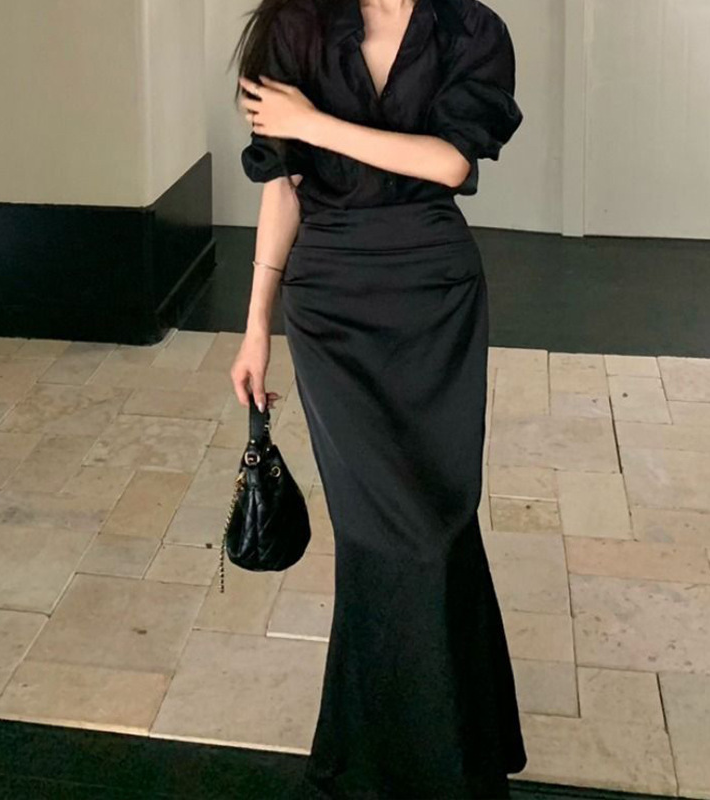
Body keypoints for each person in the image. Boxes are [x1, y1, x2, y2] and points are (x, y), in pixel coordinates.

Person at [229, 0, 526, 797]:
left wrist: (313, 123)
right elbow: (282, 189)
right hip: (330, 307)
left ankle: (458, 749)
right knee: (377, 531)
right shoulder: (298, 25)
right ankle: (390, 765)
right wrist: (256, 327)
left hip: (435, 299)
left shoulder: (473, 30)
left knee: (441, 521)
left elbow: (451, 164)